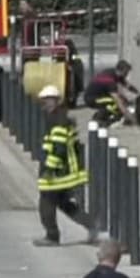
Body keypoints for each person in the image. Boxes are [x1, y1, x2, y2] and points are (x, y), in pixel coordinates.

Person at [34, 85, 97, 247]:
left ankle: (52, 236)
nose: (47, 103)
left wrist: (49, 169)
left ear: (57, 101)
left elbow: (59, 147)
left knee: (46, 204)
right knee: (64, 203)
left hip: (58, 173)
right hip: (65, 171)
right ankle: (93, 225)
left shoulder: (58, 120)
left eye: (49, 100)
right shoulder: (59, 117)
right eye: (45, 100)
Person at [84, 59, 136, 126]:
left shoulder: (114, 72)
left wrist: (138, 93)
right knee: (114, 102)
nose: (127, 74)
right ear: (121, 70)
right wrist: (128, 116)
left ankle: (102, 117)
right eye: (126, 72)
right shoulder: (110, 81)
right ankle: (98, 119)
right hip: (91, 98)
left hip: (98, 96)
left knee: (120, 101)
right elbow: (118, 100)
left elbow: (127, 85)